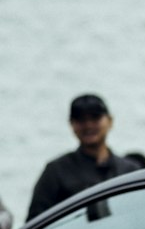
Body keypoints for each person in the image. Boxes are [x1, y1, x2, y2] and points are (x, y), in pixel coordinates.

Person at [26, 93, 137, 221]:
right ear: (71, 124)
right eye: (80, 120)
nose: (88, 125)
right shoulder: (56, 171)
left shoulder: (130, 170)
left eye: (95, 118)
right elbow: (35, 222)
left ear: (110, 121)